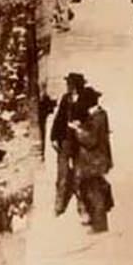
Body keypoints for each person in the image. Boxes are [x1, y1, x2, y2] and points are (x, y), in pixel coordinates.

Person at [70, 87, 114, 232]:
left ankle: (100, 225)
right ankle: (97, 222)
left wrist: (77, 130)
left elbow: (91, 140)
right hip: (96, 160)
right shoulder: (99, 115)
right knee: (93, 190)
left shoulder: (97, 117)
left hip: (94, 161)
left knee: (94, 193)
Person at [50, 72, 88, 217]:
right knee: (62, 175)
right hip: (65, 141)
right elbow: (59, 118)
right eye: (68, 84)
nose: (68, 86)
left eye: (70, 84)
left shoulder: (85, 100)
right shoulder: (65, 99)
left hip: (80, 143)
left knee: (80, 176)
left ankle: (82, 207)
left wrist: (80, 126)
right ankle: (59, 205)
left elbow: (91, 122)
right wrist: (54, 137)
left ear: (76, 86)